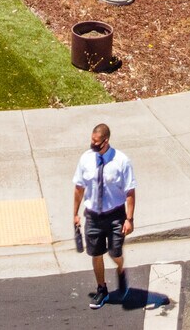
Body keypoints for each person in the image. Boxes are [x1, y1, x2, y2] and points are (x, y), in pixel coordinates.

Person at [71, 122, 137, 308]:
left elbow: (130, 192)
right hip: (93, 216)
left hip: (115, 215)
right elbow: (79, 188)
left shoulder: (121, 161)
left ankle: (121, 269)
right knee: (96, 254)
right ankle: (102, 289)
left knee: (115, 253)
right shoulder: (86, 159)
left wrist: (129, 219)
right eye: (92, 140)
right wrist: (75, 213)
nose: (92, 144)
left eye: (96, 142)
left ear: (106, 141)